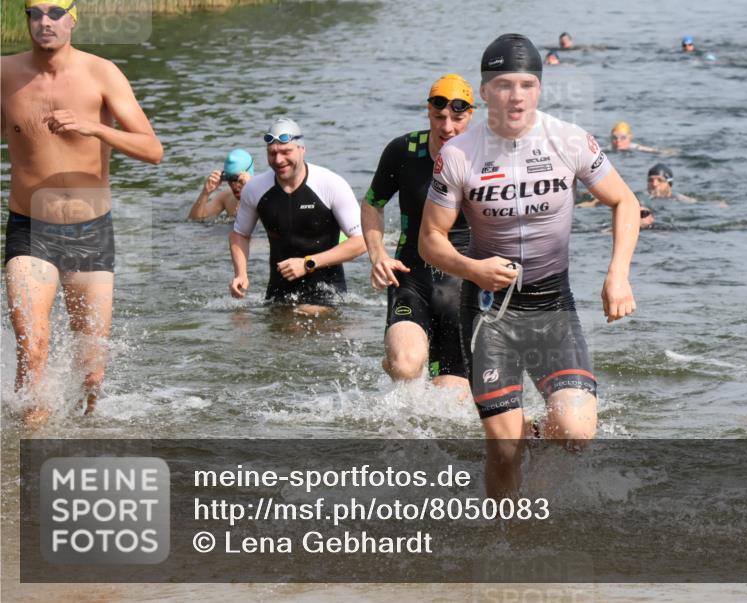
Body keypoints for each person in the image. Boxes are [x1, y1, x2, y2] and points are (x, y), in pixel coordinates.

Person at [419, 33, 639, 497]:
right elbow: (429, 242)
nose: (515, 96)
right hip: (487, 310)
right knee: (503, 448)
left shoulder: (569, 140)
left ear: (539, 88)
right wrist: (472, 269)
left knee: (577, 431)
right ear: (484, 91)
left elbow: (624, 201)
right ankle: (506, 542)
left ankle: (534, 441)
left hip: (552, 302)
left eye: (526, 84)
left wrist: (617, 274)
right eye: (503, 84)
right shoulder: (458, 155)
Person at [2, 0, 163, 426]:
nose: (45, 22)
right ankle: (27, 458)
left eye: (55, 13)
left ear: (74, 17)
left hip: (91, 232)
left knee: (91, 373)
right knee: (31, 347)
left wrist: (96, 129)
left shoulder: (101, 73)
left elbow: (153, 150)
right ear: (27, 20)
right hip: (29, 228)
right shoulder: (6, 74)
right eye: (36, 14)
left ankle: (80, 442)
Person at [361, 74, 475, 389]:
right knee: (404, 366)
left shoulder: (485, 158)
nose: (447, 127)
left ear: (471, 115)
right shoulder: (403, 151)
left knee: (447, 406)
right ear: (428, 111)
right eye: (439, 117)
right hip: (411, 275)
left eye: (457, 118)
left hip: (463, 285)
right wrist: (377, 255)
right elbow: (372, 204)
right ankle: (393, 356)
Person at [229, 118, 366, 310]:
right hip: (278, 293)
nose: (278, 160)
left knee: (300, 318)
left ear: (302, 149)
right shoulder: (254, 189)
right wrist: (241, 273)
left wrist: (308, 263)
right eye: (272, 153)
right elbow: (240, 234)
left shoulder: (330, 184)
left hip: (326, 291)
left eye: (286, 152)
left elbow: (361, 241)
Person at [188, 149, 254, 221]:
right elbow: (195, 220)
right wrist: (205, 193)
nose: (234, 185)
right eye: (228, 178)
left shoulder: (264, 194)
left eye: (237, 179)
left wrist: (251, 189)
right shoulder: (226, 197)